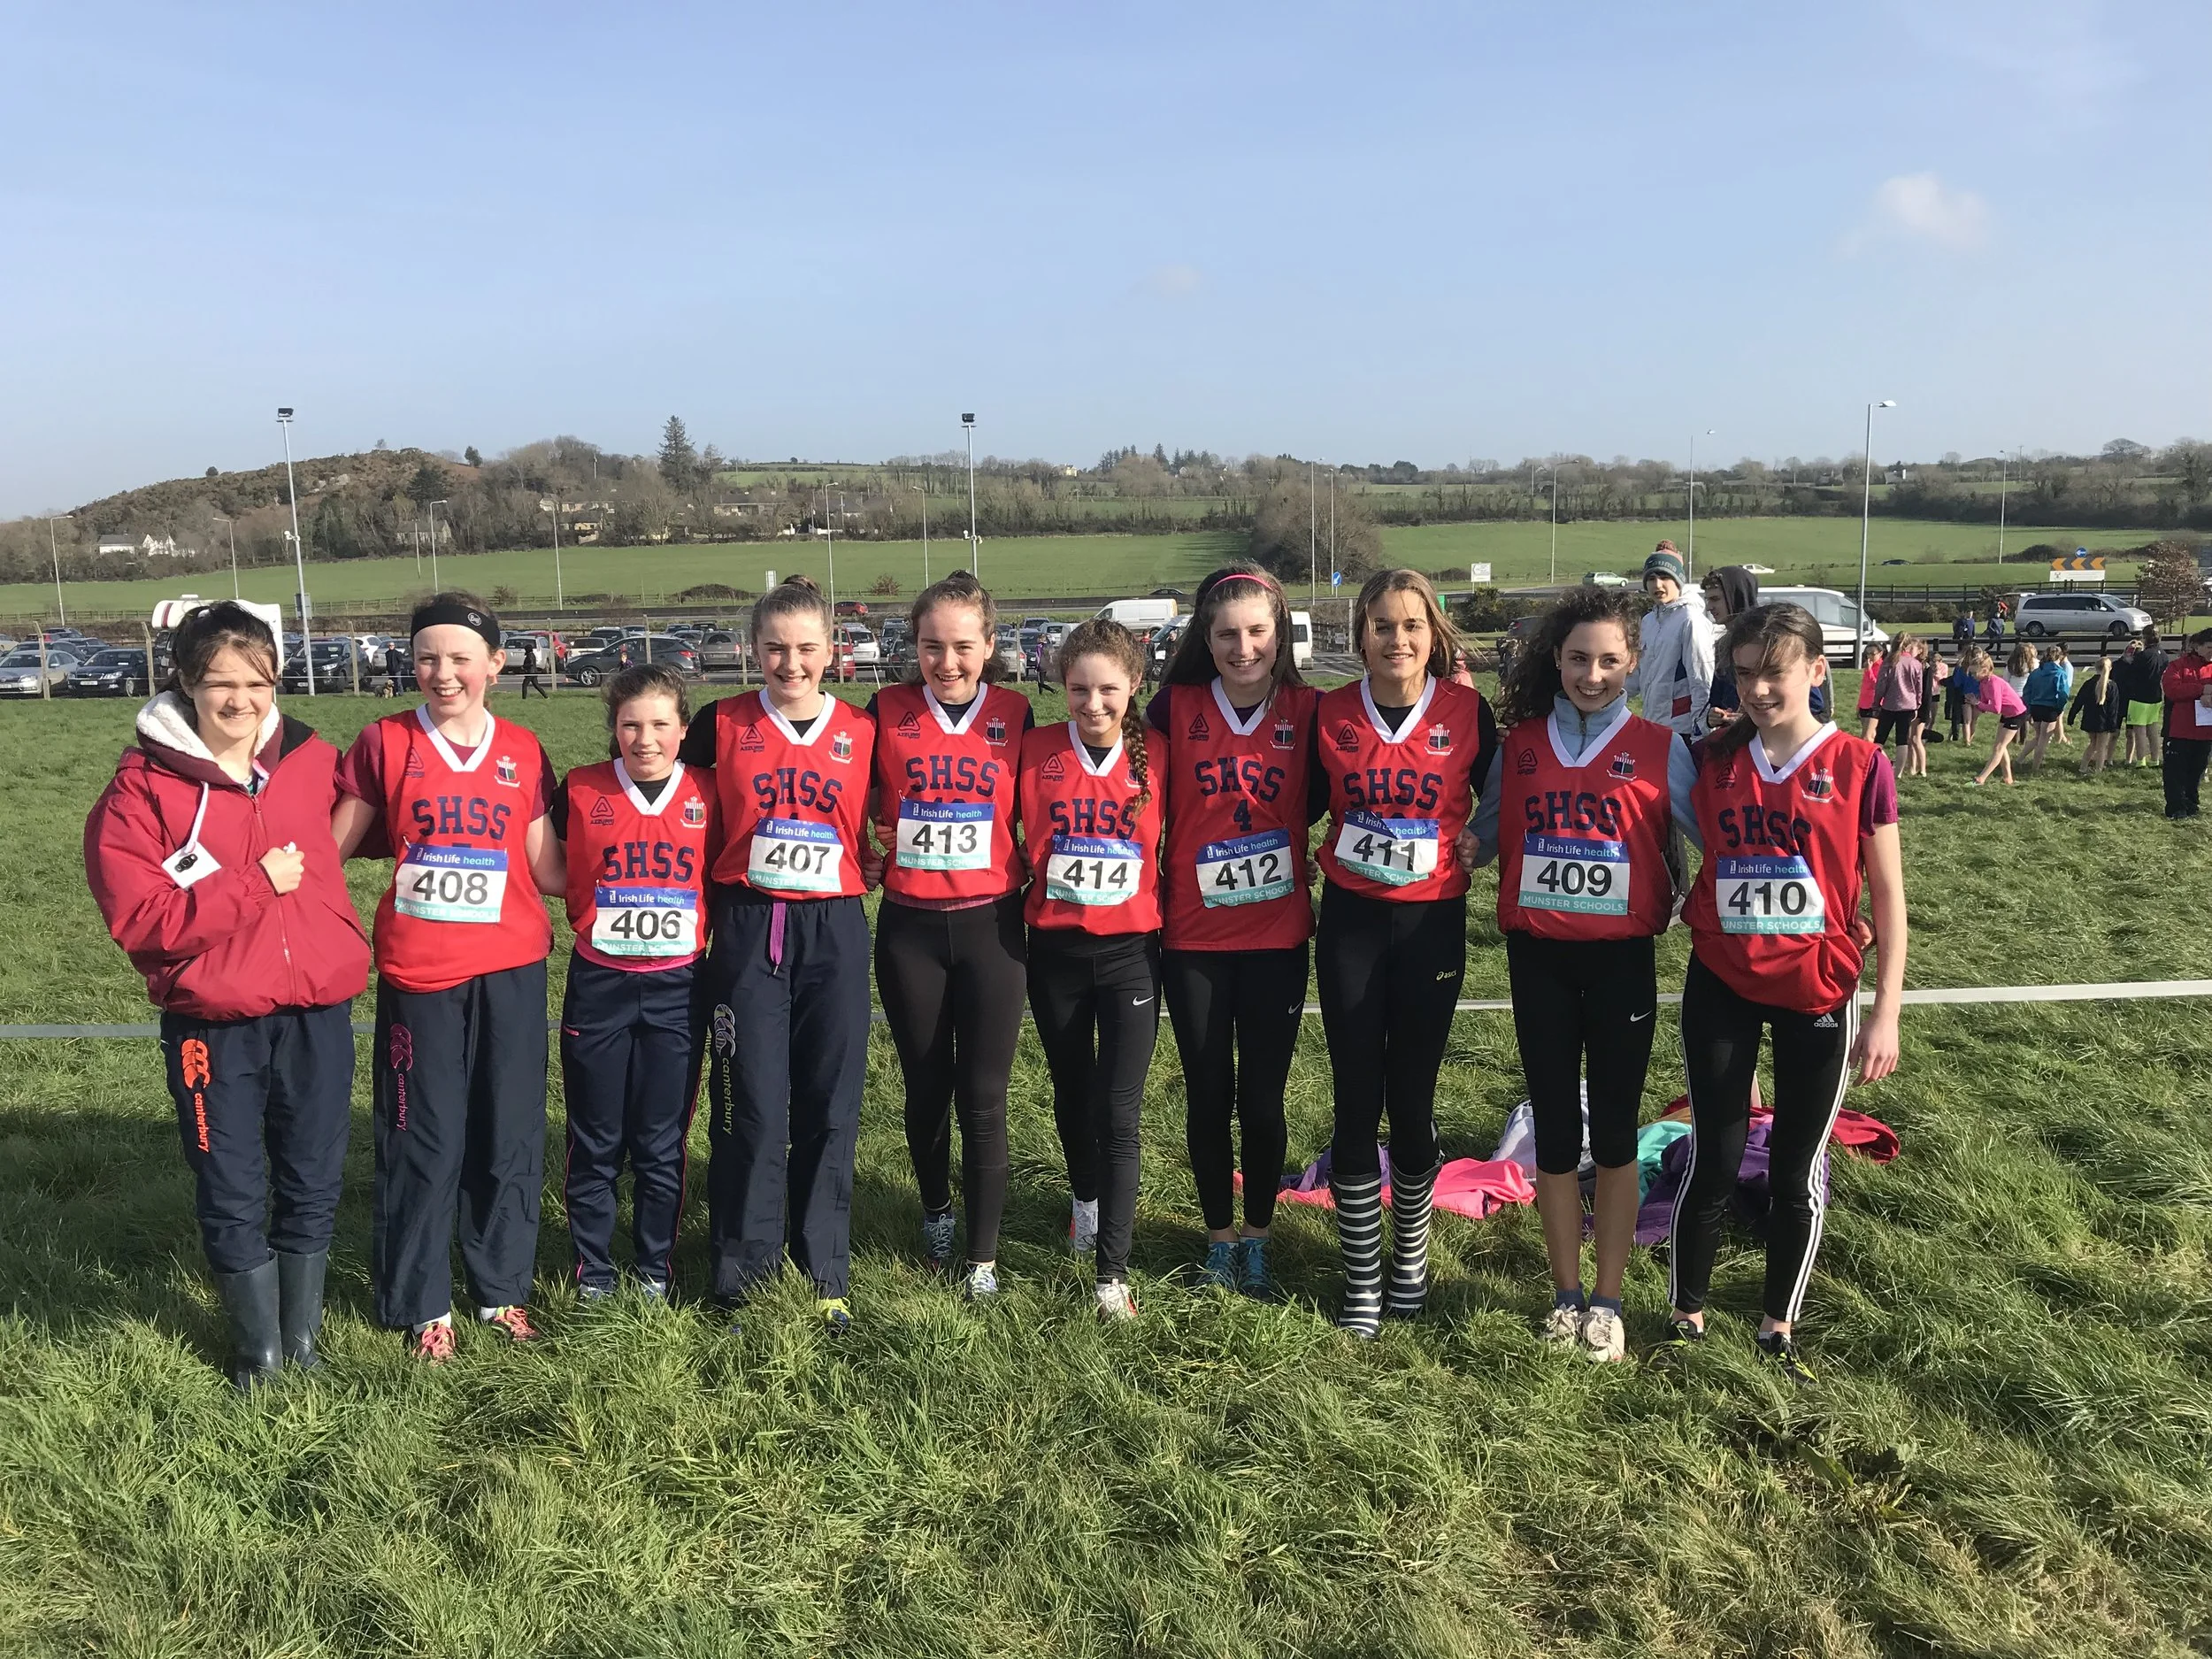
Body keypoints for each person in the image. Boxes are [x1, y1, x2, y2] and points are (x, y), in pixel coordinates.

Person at [84, 602, 371, 1388]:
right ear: (183, 681)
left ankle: (303, 1344)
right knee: (232, 1182)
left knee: (314, 1175)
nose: (240, 699)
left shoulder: (313, 758)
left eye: (256, 681)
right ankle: (259, 1355)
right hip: (214, 1023)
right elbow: (143, 921)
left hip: (317, 1011)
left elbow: (382, 810)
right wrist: (253, 885)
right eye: (219, 682)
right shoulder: (138, 794)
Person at [1666, 602, 1907, 1383]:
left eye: (1774, 671)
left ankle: (1778, 1324)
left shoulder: (1863, 764)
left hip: (1818, 992)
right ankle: (1686, 1315)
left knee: (1798, 1167)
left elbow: (1890, 898)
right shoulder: (1710, 759)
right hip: (1722, 986)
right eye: (1743, 673)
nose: (1759, 688)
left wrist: (1884, 1013)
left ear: (1814, 671)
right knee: (1717, 1154)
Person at [331, 593, 558, 1361]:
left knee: (508, 1131)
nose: (443, 672)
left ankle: (501, 1292)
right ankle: (422, 1302)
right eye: (428, 656)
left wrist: (646, 863)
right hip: (419, 973)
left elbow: (546, 866)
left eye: (461, 657)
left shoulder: (524, 749)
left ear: (496, 663)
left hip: (513, 968)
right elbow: (330, 852)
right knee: (422, 1136)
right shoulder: (384, 741)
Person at [1469, 588, 1690, 1363]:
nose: (1591, 673)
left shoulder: (1663, 747)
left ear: (1632, 660)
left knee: (1620, 1131)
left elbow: (1725, 830)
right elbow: (1483, 833)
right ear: (1554, 659)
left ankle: (1609, 1299)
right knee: (1558, 1131)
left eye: (1607, 659)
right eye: (1576, 658)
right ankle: (1566, 1296)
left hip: (1622, 961)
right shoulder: (1521, 743)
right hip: (1539, 960)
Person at [677, 576, 876, 1333]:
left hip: (833, 925)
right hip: (749, 924)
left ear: (832, 649)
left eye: (805, 649)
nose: (790, 664)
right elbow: (665, 808)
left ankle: (824, 1266)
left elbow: (894, 814)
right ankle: (741, 1270)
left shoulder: (863, 728)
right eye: (774, 648)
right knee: (750, 1103)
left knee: (831, 1101)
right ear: (752, 649)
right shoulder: (719, 722)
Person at [1313, 569, 1498, 1337]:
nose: (1398, 640)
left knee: (1414, 1097)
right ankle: (1363, 1277)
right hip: (1352, 922)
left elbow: (1516, 791)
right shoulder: (1329, 713)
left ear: (1435, 633)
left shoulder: (1468, 711)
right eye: (1382, 626)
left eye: (1412, 626)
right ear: (1361, 634)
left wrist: (1481, 842)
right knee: (1357, 1096)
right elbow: (1277, 802)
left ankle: (1410, 1261)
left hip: (1431, 926)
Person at [863, 572, 1033, 1301]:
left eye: (964, 646)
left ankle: (984, 1257)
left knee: (984, 1096)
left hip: (994, 925)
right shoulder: (883, 711)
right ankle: (937, 1212)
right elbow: (846, 800)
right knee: (927, 1086)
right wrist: (864, 849)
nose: (949, 661)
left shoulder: (1019, 714)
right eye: (932, 646)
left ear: (989, 645)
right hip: (911, 930)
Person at [1150, 564, 1318, 1299]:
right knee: (1207, 1091)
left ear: (1278, 632)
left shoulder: (1311, 710)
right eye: (1227, 633)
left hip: (1278, 935)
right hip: (1192, 937)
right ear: (1205, 639)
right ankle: (1218, 1238)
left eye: (1257, 631)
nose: (1243, 646)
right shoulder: (1172, 708)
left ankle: (1258, 1238)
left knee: (1264, 1097)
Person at [542, 664, 718, 1302]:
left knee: (660, 1138)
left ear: (683, 728)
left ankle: (652, 1267)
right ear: (613, 728)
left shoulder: (707, 790)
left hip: (678, 985)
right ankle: (594, 1268)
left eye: (660, 725)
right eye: (630, 725)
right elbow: (548, 864)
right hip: (601, 981)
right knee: (594, 1135)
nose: (645, 739)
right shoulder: (582, 787)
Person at [1019, 619, 1165, 1321]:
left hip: (1132, 955)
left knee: (1120, 1109)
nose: (1094, 702)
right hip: (1054, 952)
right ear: (1062, 686)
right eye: (1079, 688)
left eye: (1108, 688)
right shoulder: (1037, 751)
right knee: (1072, 1094)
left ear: (1133, 685)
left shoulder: (1158, 756)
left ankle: (1113, 1275)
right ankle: (1084, 1202)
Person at [1702, 566, 1828, 724]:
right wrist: (1714, 716)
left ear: (1735, 596)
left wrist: (1754, 719)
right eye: (1707, 600)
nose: (1709, 607)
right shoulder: (1722, 646)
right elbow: (1717, 700)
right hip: (1734, 743)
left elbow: (1815, 706)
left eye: (1715, 599)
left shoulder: (1775, 638)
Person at [1625, 542, 1713, 738]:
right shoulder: (1648, 621)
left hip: (1682, 730)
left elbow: (1702, 681)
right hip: (1652, 724)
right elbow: (1636, 675)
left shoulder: (1691, 620)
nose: (1657, 585)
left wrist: (1700, 731)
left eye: (1665, 577)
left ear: (1678, 580)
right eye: (1651, 578)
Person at [2159, 626, 2212, 820]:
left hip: (2205, 732)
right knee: (2175, 773)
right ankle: (2176, 808)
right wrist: (2201, 689)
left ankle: (2191, 803)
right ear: (2197, 646)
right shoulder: (2178, 666)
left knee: (2196, 772)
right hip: (2179, 731)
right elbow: (2172, 689)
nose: (2211, 652)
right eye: (2209, 647)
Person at [1963, 648, 2027, 786]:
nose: (1972, 676)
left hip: (2017, 714)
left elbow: (1996, 708)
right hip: (2007, 714)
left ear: (1985, 671)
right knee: (1999, 747)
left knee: (1999, 747)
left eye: (1974, 673)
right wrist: (1975, 702)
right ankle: (2008, 778)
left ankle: (1981, 778)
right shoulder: (1983, 683)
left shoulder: (1994, 683)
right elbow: (1986, 705)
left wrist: (1978, 703)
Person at [2068, 644, 2124, 776]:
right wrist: (2113, 724)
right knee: (2101, 746)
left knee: (2092, 743)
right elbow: (2114, 707)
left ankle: (2083, 767)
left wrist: (2072, 716)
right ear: (2109, 669)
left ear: (2096, 668)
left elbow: (2078, 700)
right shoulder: (2112, 686)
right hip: (2104, 721)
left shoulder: (2088, 683)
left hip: (2090, 719)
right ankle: (2099, 769)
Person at [1872, 634, 1926, 764]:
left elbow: (1881, 685)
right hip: (1908, 705)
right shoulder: (1916, 664)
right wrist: (1918, 704)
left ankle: (1879, 764)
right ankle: (1899, 772)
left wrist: (1876, 702)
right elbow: (1919, 688)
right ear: (1908, 646)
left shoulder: (1889, 662)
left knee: (1880, 738)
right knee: (1902, 739)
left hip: (1890, 704)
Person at [2118, 629, 2168, 768]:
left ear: (2145, 638)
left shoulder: (2143, 655)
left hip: (2139, 696)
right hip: (2156, 695)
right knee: (2152, 728)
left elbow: (2131, 673)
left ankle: (2141, 760)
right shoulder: (2163, 655)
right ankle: (2155, 759)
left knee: (2139, 730)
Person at [2023, 647, 2069, 772]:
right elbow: (2063, 693)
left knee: (2038, 736)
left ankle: (2020, 759)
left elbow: (2027, 691)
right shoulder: (2059, 673)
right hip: (2050, 708)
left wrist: (2028, 709)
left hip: (2036, 706)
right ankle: (2035, 767)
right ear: (2059, 657)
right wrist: (2059, 708)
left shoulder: (2036, 672)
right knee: (2044, 739)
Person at [1855, 642, 1884, 741]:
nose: (1870, 656)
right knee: (1870, 737)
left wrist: (1870, 671)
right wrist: (1859, 705)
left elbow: (1878, 685)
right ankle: (1878, 756)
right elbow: (1864, 687)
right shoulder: (1868, 666)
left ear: (1880, 654)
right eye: (1868, 653)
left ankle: (1872, 756)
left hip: (1875, 705)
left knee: (1866, 737)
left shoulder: (1882, 667)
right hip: (1865, 704)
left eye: (1873, 654)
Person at [516, 634, 548, 699]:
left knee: (524, 685)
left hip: (530, 673)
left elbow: (530, 664)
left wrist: (524, 666)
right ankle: (546, 696)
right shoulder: (532, 655)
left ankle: (524, 698)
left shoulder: (529, 655)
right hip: (534, 673)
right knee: (537, 686)